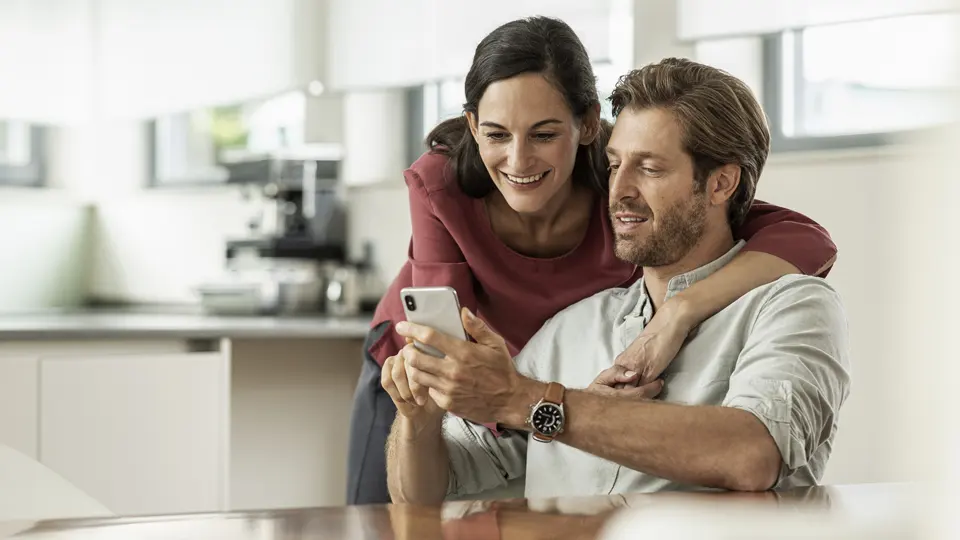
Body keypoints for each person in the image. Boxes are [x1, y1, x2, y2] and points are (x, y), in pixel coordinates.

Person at [346, 16, 838, 504]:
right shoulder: (569, 329)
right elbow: (426, 494)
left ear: (721, 183)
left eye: (649, 167)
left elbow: (750, 455)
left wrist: (529, 401)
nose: (618, 192)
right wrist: (420, 419)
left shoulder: (789, 307)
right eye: (616, 164)